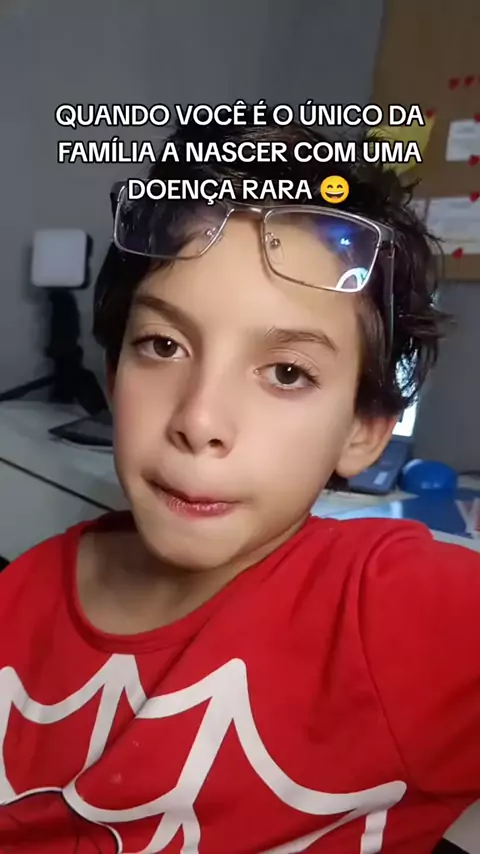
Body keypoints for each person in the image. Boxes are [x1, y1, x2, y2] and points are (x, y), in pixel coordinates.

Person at [0, 112, 479, 854]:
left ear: (364, 429)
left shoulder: (389, 611)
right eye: (163, 345)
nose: (200, 420)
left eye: (286, 372)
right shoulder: (20, 596)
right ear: (114, 372)